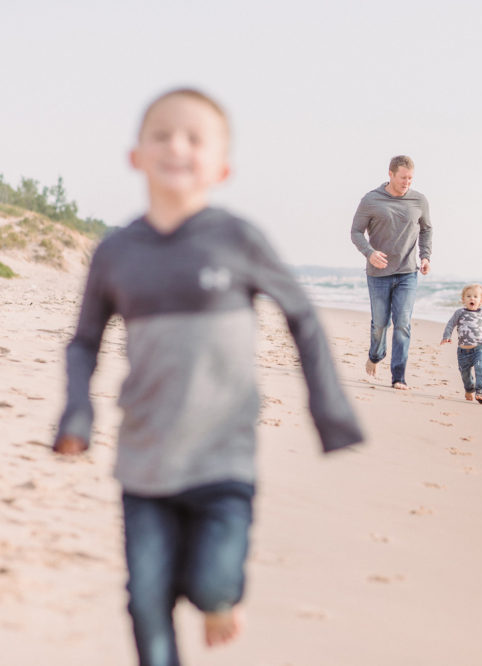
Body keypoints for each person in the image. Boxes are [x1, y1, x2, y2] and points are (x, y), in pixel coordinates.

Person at [52, 88, 364, 666]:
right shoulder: (117, 252)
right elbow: (85, 342)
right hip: (144, 458)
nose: (177, 146)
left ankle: (225, 599)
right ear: (136, 156)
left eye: (195, 138)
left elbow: (300, 313)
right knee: (146, 600)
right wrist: (77, 411)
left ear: (222, 166)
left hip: (223, 455)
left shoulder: (237, 238)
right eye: (162, 134)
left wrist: (330, 410)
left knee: (212, 585)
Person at [350, 155, 432, 390]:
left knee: (403, 323)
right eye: (403, 177)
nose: (407, 182)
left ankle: (398, 377)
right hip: (378, 273)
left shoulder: (419, 200)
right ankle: (375, 356)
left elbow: (426, 229)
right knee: (380, 325)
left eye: (410, 178)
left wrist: (425, 256)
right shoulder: (371, 200)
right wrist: (369, 252)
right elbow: (356, 232)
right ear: (391, 174)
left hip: (407, 272)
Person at [441, 284, 482, 404]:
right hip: (462, 351)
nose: (472, 298)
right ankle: (469, 389)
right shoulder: (459, 313)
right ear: (463, 299)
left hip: (478, 349)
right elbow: (451, 324)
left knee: (480, 369)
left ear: (480, 300)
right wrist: (446, 336)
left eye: (475, 296)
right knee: (465, 374)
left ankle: (480, 391)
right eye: (469, 296)